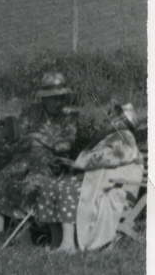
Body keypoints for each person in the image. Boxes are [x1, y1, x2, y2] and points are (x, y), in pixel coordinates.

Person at [0, 71, 88, 245]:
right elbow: (18, 136)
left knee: (32, 185)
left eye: (62, 98)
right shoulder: (32, 112)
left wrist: (41, 138)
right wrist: (29, 138)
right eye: (54, 98)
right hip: (23, 158)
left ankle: (27, 231)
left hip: (49, 162)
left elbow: (66, 145)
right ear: (44, 99)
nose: (59, 102)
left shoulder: (69, 117)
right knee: (0, 179)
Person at [52, 103, 145, 251]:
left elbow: (107, 157)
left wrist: (79, 163)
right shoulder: (113, 137)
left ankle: (68, 244)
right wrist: (76, 164)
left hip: (115, 189)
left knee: (66, 189)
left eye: (115, 115)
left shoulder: (125, 137)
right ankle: (60, 241)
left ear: (123, 121)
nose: (110, 117)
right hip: (105, 184)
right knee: (56, 186)